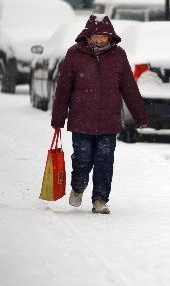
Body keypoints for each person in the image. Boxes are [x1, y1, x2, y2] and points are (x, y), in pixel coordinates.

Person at [51, 14, 148, 214]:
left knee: (105, 160)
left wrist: (141, 116)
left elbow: (129, 87)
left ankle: (100, 199)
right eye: (95, 36)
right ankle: (78, 187)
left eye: (103, 36)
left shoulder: (118, 55)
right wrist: (58, 118)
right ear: (87, 35)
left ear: (110, 36)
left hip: (109, 121)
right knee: (83, 158)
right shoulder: (74, 54)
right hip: (81, 120)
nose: (99, 40)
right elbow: (63, 89)